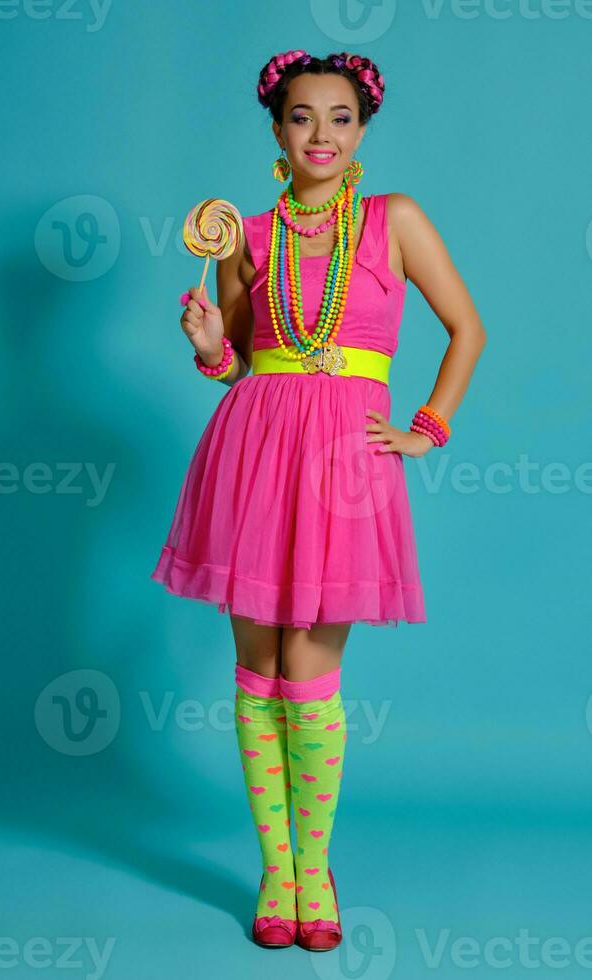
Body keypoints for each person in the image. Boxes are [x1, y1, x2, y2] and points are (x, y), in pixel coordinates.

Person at [151, 50, 486, 951]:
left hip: (344, 462)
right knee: (258, 656)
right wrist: (210, 341)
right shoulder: (246, 237)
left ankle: (317, 867)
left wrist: (427, 426)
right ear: (276, 131)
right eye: (303, 117)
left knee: (310, 667)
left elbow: (468, 328)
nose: (322, 135)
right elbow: (238, 370)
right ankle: (277, 871)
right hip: (256, 450)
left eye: (340, 117)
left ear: (364, 128)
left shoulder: (395, 219)